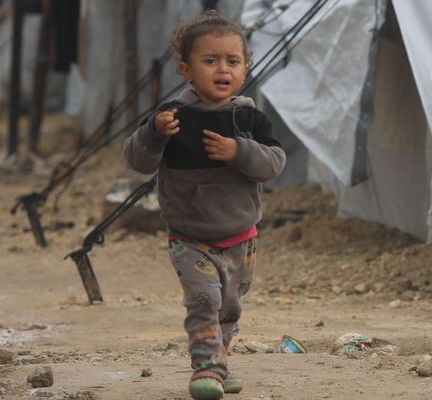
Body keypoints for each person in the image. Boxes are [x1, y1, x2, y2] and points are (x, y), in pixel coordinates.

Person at [123, 10, 285, 400]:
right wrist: (153, 133)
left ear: (245, 68)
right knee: (204, 301)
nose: (222, 69)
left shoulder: (248, 118)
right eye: (210, 60)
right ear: (186, 69)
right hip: (190, 237)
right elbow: (138, 161)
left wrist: (239, 151)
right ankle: (206, 368)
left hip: (241, 238)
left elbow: (274, 163)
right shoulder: (173, 118)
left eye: (232, 61)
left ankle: (221, 358)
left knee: (229, 308)